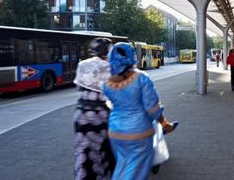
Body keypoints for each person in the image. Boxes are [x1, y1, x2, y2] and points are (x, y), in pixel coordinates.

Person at [102, 42, 178, 180]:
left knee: (122, 167)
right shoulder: (141, 78)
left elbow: (111, 103)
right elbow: (152, 108)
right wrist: (165, 124)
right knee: (135, 173)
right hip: (139, 132)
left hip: (115, 132)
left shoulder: (106, 83)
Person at [73, 37, 115, 180]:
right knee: (102, 149)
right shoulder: (111, 66)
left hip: (82, 112)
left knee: (83, 149)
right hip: (101, 112)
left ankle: (82, 175)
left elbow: (79, 86)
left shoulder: (83, 64)